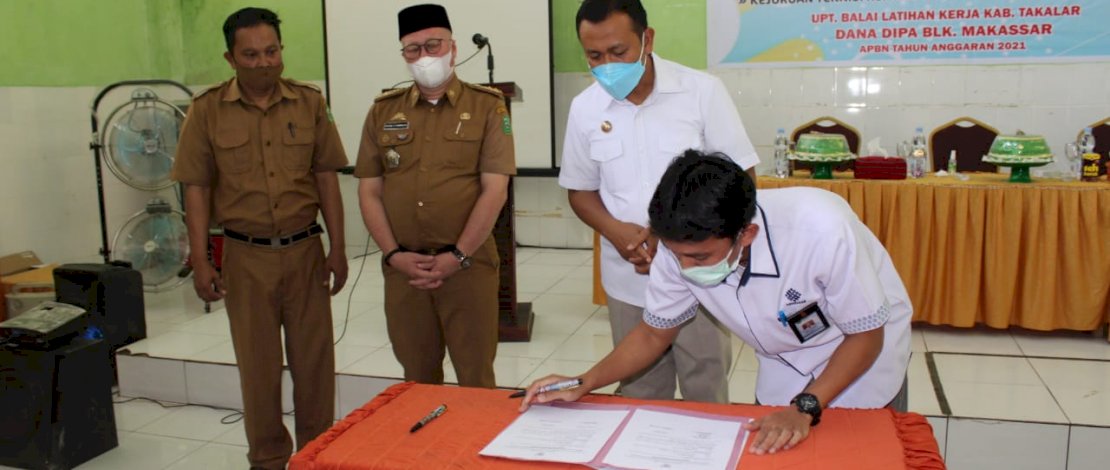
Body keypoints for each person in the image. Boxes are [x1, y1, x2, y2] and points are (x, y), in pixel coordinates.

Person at [523, 150, 912, 455]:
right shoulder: (680, 245)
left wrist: (805, 408)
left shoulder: (822, 229)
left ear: (747, 234)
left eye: (700, 258)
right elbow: (653, 335)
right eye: (677, 256)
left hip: (861, 358)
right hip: (783, 363)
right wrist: (585, 381)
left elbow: (865, 336)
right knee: (777, 452)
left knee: (859, 454)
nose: (685, 268)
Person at [171, 7, 348, 469]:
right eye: (250, 55)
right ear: (230, 59)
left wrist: (338, 247)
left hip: (305, 251)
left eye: (272, 52)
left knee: (315, 366)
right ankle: (267, 459)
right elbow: (196, 187)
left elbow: (326, 177)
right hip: (245, 257)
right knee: (258, 370)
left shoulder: (309, 103)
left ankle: (316, 457)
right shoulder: (207, 110)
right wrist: (202, 259)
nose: (264, 62)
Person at [559, 0, 760, 403]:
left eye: (618, 52)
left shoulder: (701, 92)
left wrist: (667, 237)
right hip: (628, 275)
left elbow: (740, 179)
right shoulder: (585, 108)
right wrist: (617, 233)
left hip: (697, 274)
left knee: (705, 385)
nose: (607, 65)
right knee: (639, 390)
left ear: (647, 39)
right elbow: (580, 191)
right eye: (594, 56)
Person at [354, 3, 515, 388]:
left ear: (453, 49)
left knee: (476, 379)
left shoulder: (487, 107)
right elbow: (369, 191)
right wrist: (393, 255)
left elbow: (495, 190)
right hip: (404, 271)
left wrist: (458, 255)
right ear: (404, 55)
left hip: (468, 268)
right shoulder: (382, 112)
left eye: (433, 45)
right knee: (417, 380)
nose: (424, 56)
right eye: (413, 49)